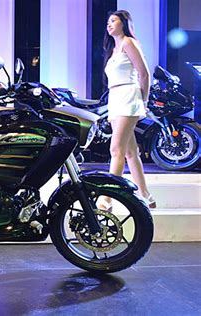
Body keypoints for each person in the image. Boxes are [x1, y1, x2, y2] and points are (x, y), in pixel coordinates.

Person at [100, 10, 156, 210]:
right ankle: (146, 196)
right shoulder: (114, 50)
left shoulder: (128, 43)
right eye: (108, 22)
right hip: (115, 98)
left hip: (129, 96)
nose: (109, 24)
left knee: (116, 149)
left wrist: (144, 100)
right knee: (131, 152)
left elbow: (144, 73)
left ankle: (108, 198)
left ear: (124, 23)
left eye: (113, 20)